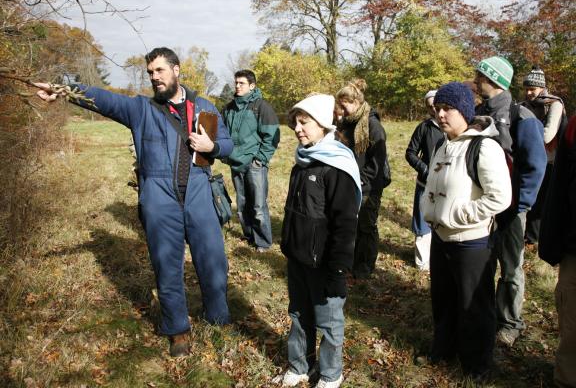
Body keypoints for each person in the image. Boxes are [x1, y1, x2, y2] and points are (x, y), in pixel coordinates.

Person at [35, 47, 233, 357]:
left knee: (213, 261)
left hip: (199, 192)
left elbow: (229, 144)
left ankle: (218, 317)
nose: (154, 77)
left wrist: (214, 145)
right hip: (158, 196)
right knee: (167, 266)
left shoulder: (204, 106)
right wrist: (63, 89)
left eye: (160, 70)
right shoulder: (141, 109)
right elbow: (104, 99)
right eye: (151, 72)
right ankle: (177, 329)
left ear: (176, 70)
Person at [421, 82, 512, 381]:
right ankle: (444, 349)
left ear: (464, 110)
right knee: (443, 298)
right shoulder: (440, 144)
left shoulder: (484, 147)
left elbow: (500, 197)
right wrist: (429, 209)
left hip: (471, 242)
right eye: (438, 109)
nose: (441, 114)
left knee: (474, 305)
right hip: (440, 237)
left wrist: (459, 214)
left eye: (448, 108)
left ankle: (477, 365)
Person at [280, 94, 361, 388]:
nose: (298, 129)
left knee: (329, 323)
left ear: (324, 124)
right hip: (299, 258)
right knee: (299, 314)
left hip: (325, 263)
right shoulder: (302, 161)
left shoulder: (338, 166)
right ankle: (300, 365)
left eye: (305, 122)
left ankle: (330, 374)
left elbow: (345, 225)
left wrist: (339, 269)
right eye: (296, 123)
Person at [474, 56, 547, 347]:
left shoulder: (522, 118)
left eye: (479, 75)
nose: (475, 79)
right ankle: (485, 314)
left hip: (512, 210)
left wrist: (519, 206)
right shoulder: (478, 112)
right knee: (482, 264)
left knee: (511, 268)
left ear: (492, 80)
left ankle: (510, 323)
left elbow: (535, 166)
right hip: (481, 207)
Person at [336, 79, 390, 279]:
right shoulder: (344, 126)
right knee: (351, 225)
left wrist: (361, 182)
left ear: (357, 101)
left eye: (345, 105)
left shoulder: (373, 126)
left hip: (369, 187)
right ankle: (351, 262)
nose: (342, 110)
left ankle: (365, 266)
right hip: (348, 184)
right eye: (340, 106)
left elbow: (376, 163)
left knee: (366, 226)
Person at [221, 70, 280, 252]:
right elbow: (222, 132)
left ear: (252, 86)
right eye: (236, 83)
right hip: (236, 162)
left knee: (258, 205)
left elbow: (272, 136)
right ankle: (249, 236)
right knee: (242, 204)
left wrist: (260, 159)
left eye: (242, 83)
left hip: (254, 164)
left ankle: (263, 242)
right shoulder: (229, 108)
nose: (237, 86)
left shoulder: (261, 107)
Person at [539, 115, 576, 388]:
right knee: (572, 329)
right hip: (575, 250)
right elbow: (560, 185)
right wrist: (551, 243)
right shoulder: (574, 126)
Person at [521, 66, 566, 247]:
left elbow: (548, 134)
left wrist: (525, 135)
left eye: (532, 89)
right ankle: (528, 237)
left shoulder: (554, 104)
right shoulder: (524, 106)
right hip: (526, 157)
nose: (529, 92)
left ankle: (535, 239)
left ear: (542, 88)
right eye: (526, 89)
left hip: (550, 159)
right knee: (528, 198)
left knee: (542, 201)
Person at [405, 90, 444, 271]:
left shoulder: (454, 126)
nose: (434, 109)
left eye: (436, 104)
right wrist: (424, 169)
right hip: (425, 183)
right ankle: (422, 264)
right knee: (422, 222)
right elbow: (410, 153)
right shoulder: (424, 127)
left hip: (446, 185)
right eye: (430, 107)